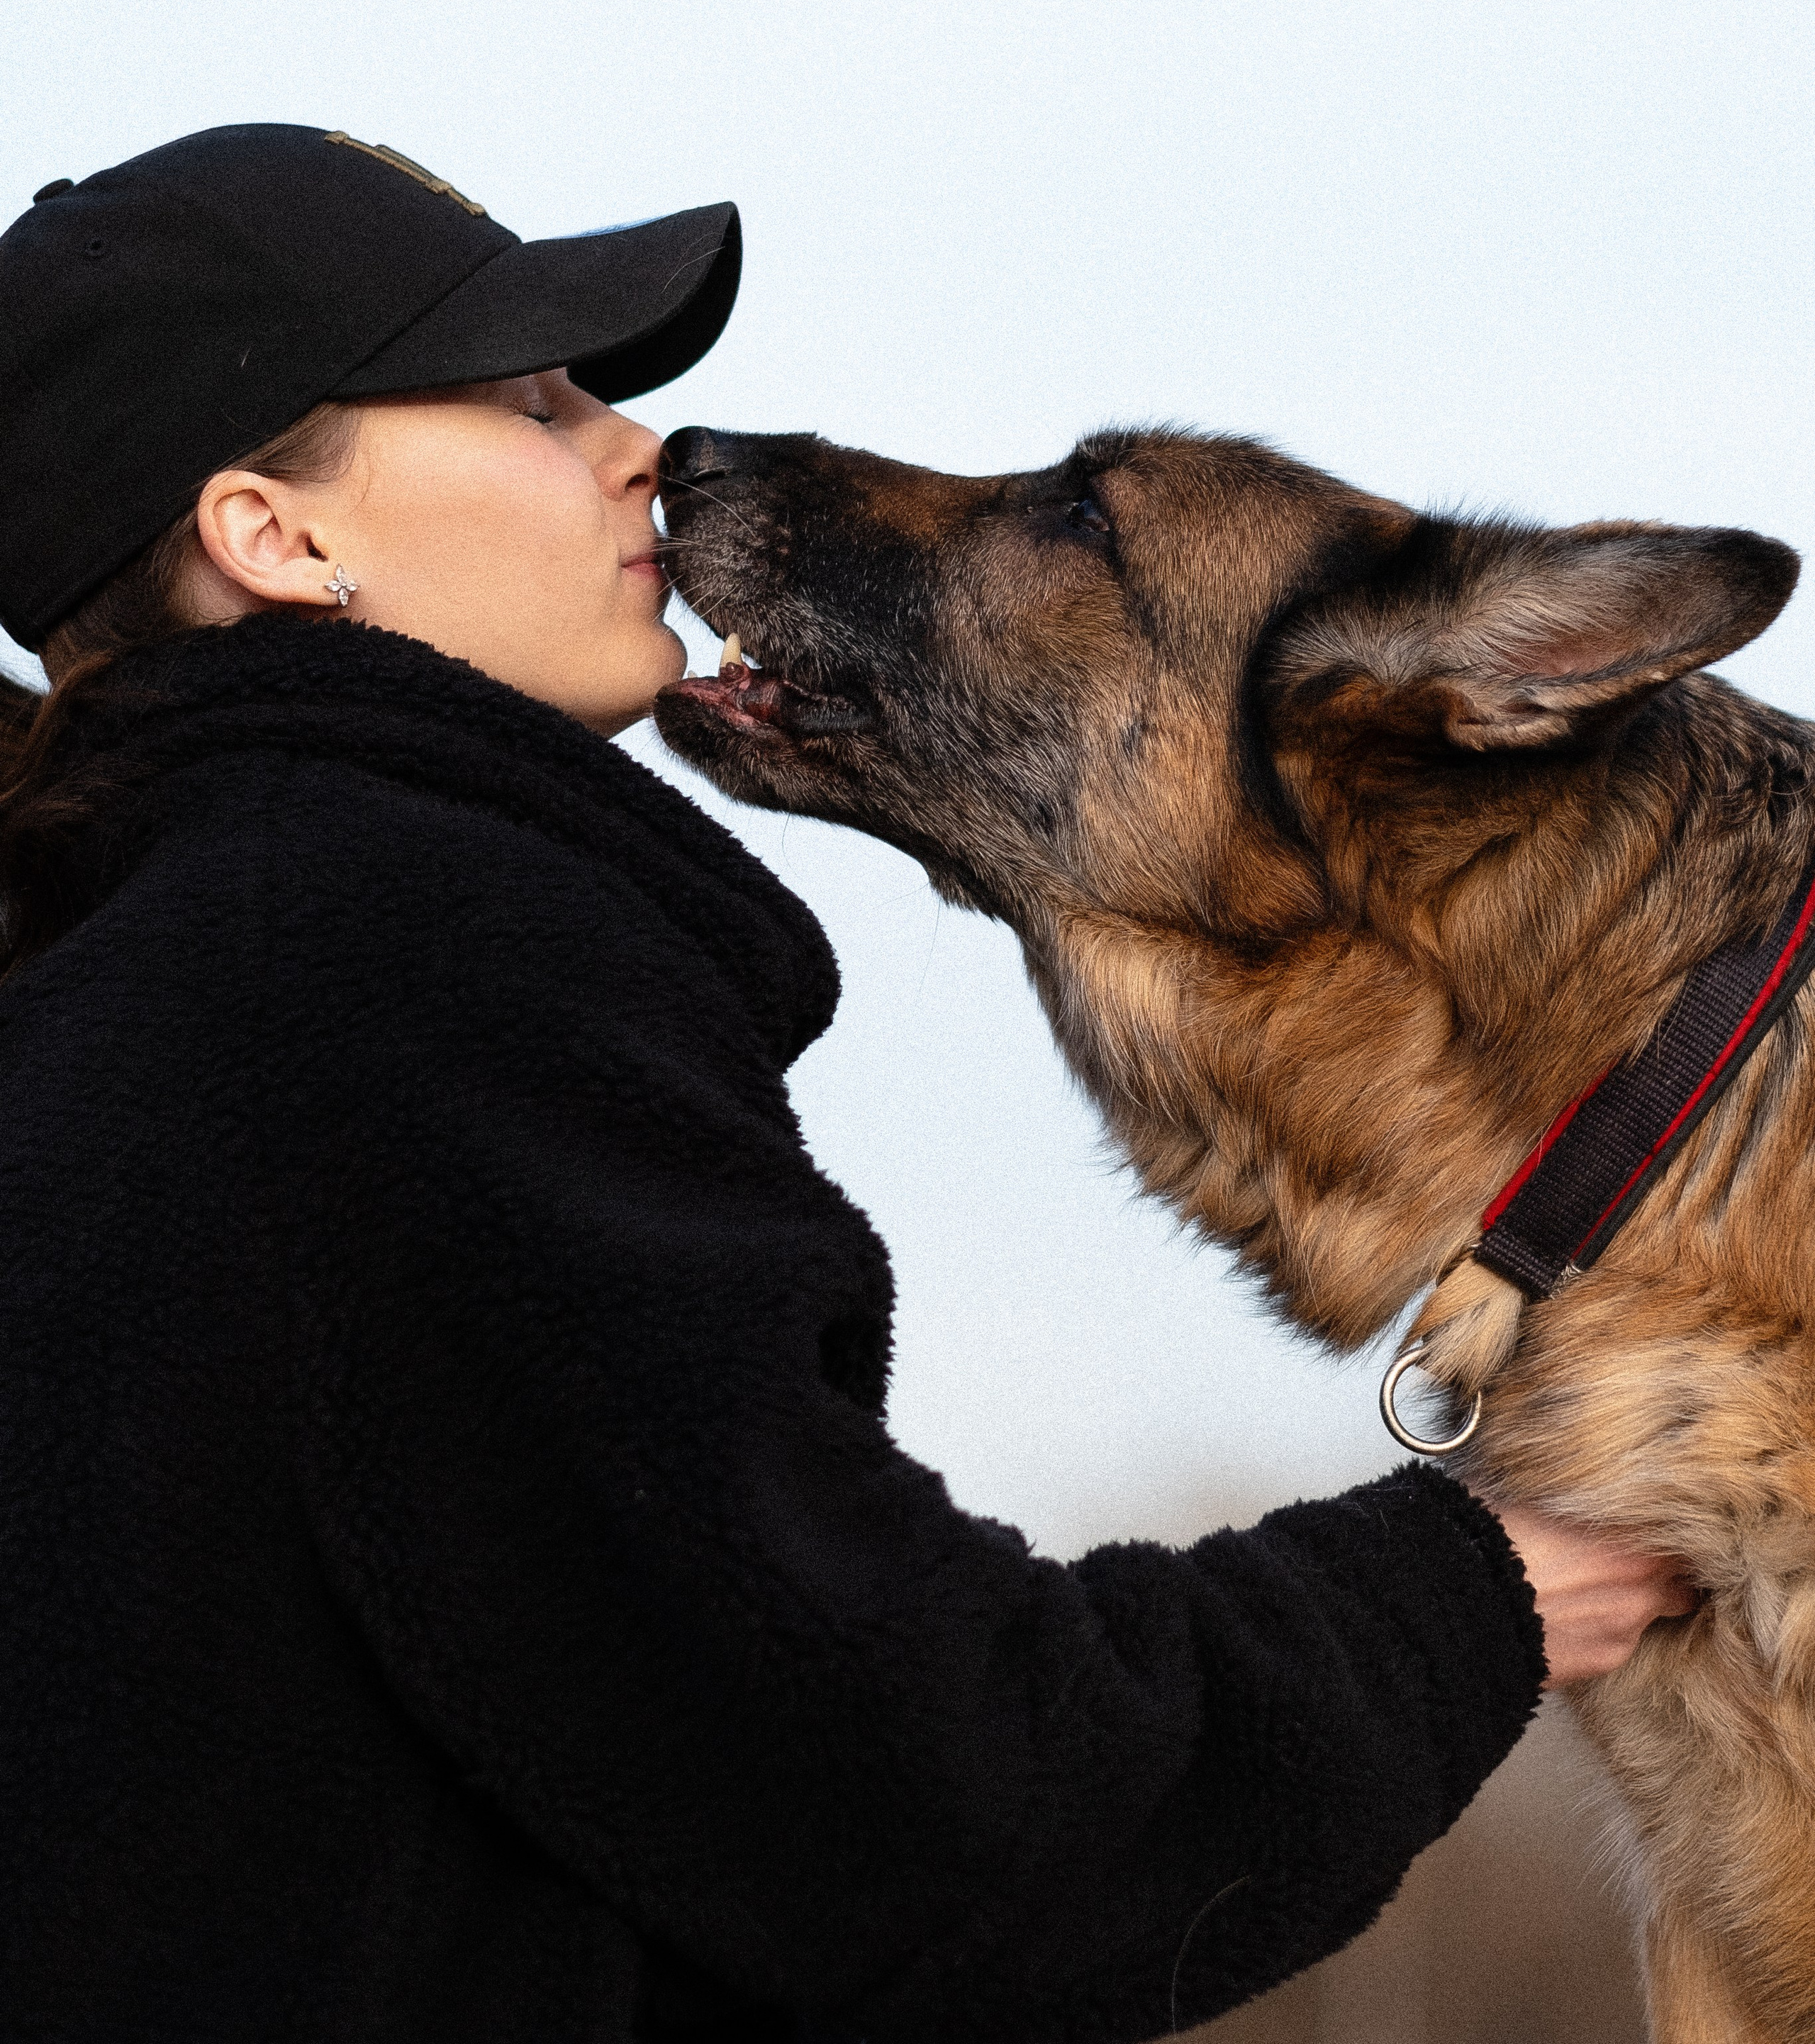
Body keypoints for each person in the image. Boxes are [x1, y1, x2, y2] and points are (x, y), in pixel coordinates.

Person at [0, 125, 1692, 2044]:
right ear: (278, 534)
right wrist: (1455, 1608)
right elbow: (905, 1798)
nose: (637, 441)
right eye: (532, 401)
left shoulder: (131, 993)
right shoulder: (401, 959)